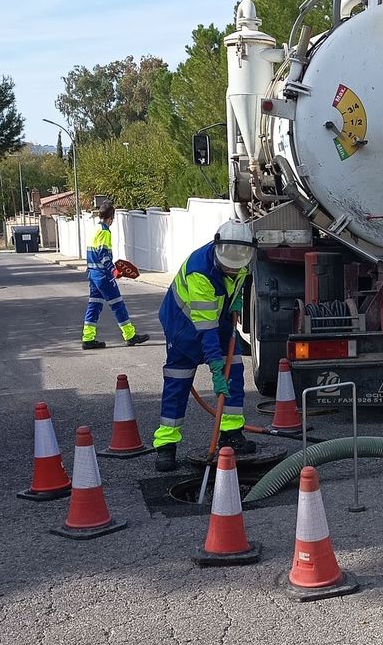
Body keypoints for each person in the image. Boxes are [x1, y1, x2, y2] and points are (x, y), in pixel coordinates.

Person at [153, 220, 258, 472]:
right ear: (218, 248)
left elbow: (237, 281)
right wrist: (214, 368)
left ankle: (231, 434)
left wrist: (236, 302)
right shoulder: (200, 272)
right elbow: (206, 329)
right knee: (178, 382)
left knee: (233, 372)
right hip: (184, 327)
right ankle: (166, 445)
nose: (233, 270)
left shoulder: (240, 257)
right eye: (228, 268)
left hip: (217, 320)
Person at [81, 199, 143, 350]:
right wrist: (113, 270)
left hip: (93, 274)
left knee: (94, 305)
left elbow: (93, 254)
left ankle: (88, 338)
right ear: (111, 218)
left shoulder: (94, 230)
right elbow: (103, 254)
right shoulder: (104, 232)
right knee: (118, 304)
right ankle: (130, 336)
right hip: (103, 275)